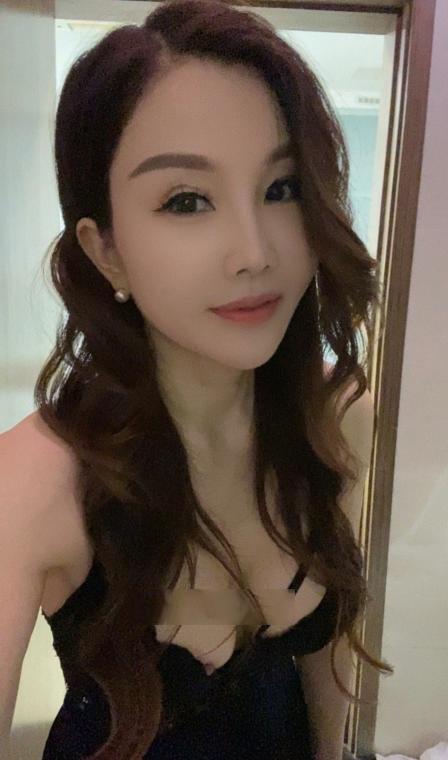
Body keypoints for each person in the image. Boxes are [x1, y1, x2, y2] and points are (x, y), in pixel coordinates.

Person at [0, 0, 393, 757]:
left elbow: (328, 676)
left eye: (282, 188)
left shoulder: (338, 413)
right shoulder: (33, 481)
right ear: (107, 250)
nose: (255, 252)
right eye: (187, 200)